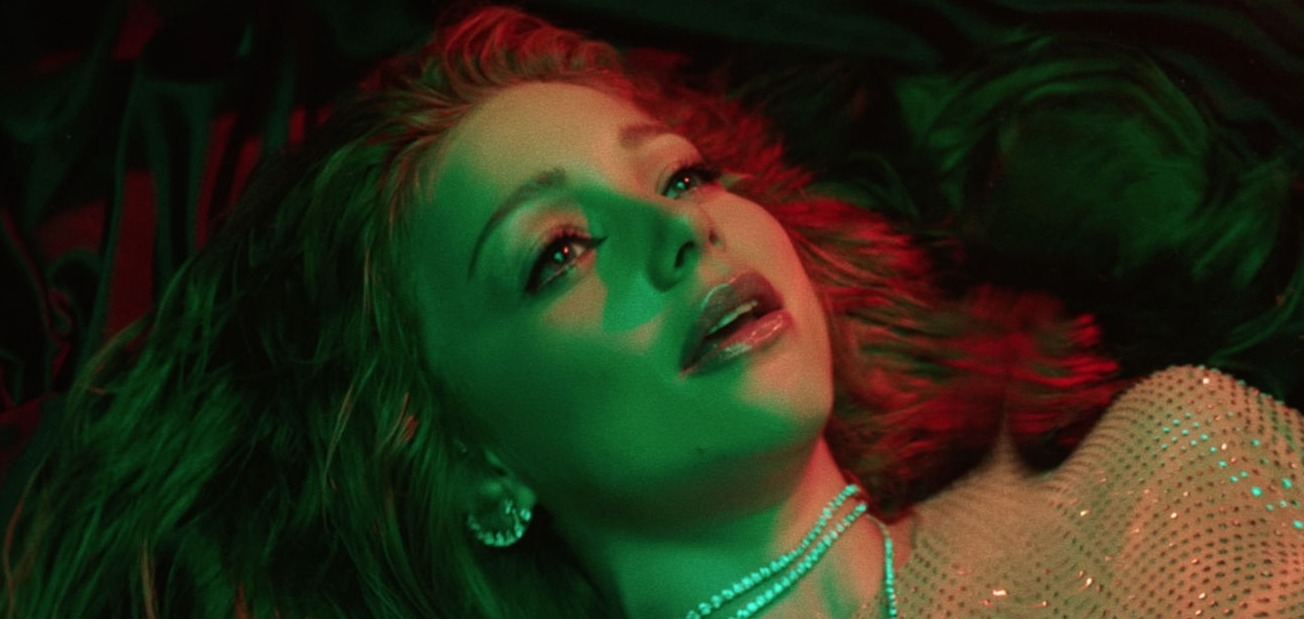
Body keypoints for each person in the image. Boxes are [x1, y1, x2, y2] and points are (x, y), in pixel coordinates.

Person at [3, 5, 1300, 618]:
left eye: (681, 175)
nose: (682, 232)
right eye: (561, 251)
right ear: (465, 454)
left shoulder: (1179, 472)